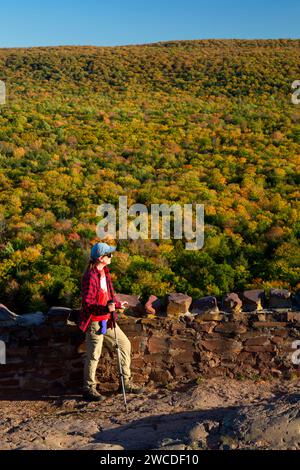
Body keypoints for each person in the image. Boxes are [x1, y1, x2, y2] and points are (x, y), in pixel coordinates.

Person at [79, 242, 143, 401]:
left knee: (124, 344)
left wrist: (117, 304)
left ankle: (125, 382)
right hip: (95, 321)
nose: (111, 256)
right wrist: (106, 309)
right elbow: (88, 304)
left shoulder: (104, 273)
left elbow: (108, 296)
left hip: (107, 320)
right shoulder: (90, 277)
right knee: (94, 355)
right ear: (100, 258)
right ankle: (88, 389)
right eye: (109, 255)